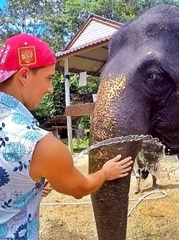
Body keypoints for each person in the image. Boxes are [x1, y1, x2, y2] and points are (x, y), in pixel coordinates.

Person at [0, 33, 133, 239]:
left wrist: (28, 188)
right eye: (48, 78)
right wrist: (105, 173)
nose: (50, 89)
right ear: (24, 75)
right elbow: (80, 188)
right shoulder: (39, 145)